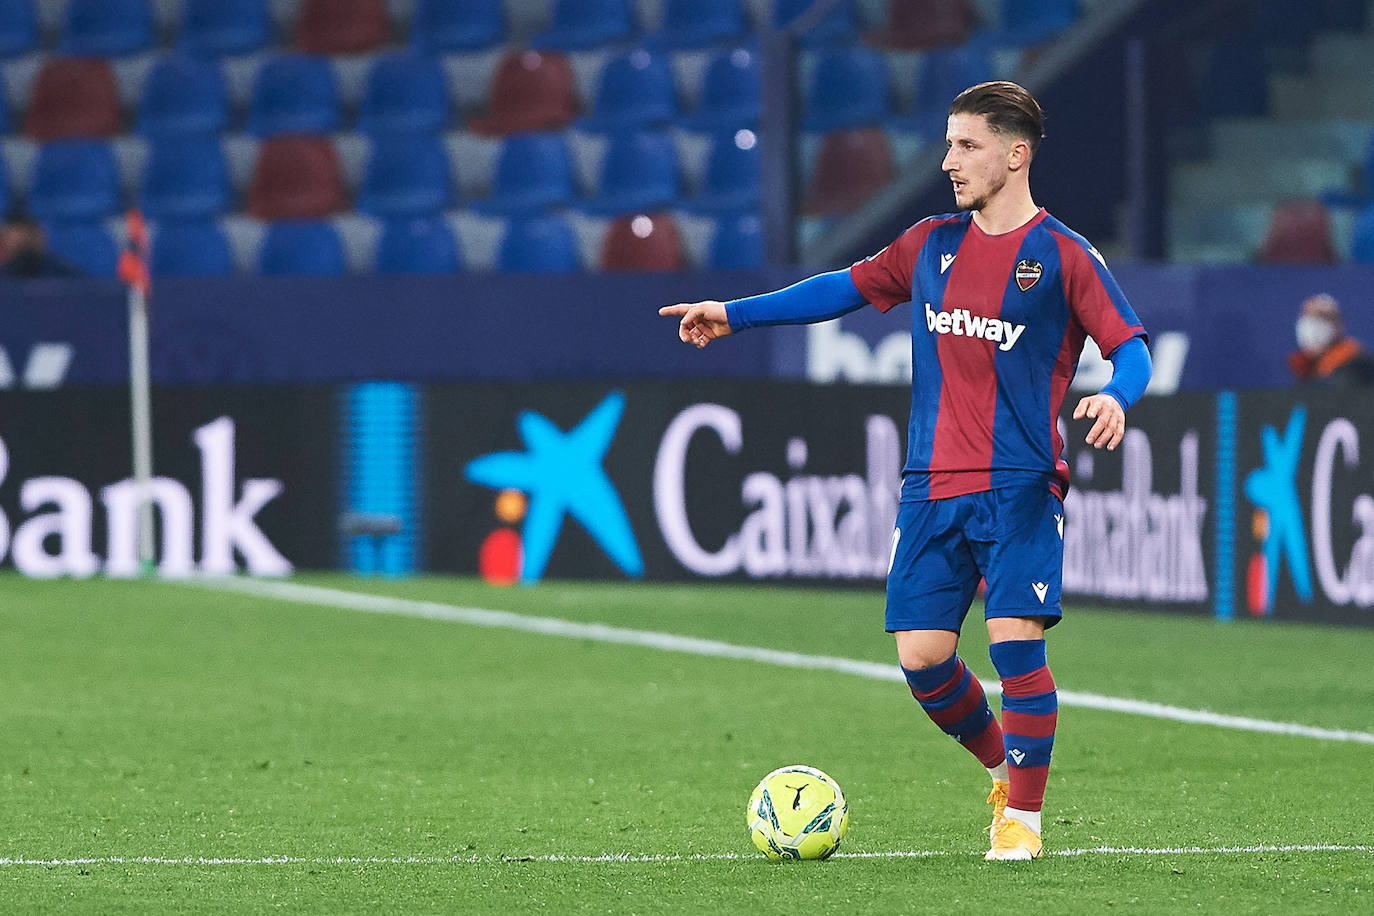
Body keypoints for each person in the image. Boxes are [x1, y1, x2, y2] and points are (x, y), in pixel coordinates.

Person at [660, 81, 1151, 861]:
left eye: (966, 145)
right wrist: (736, 311)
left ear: (1015, 154)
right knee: (922, 658)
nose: (948, 160)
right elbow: (842, 289)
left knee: (1014, 640)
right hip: (930, 486)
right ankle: (1004, 766)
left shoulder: (1063, 255)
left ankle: (1022, 821)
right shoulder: (930, 244)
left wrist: (1118, 397)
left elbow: (1132, 345)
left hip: (1021, 482)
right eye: (949, 143)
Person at [1287, 293, 1374, 387]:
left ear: (1338, 325)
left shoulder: (1357, 366)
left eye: (1320, 317)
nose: (1310, 326)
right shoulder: (1304, 370)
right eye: (1305, 317)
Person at [0, 211, 83, 278]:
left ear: (40, 234)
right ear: (5, 239)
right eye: (18, 243)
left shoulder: (68, 277)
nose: (25, 239)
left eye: (30, 234)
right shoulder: (3, 279)